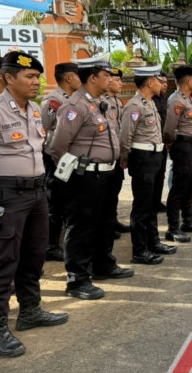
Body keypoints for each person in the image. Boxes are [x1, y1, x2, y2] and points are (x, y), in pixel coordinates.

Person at [0, 50, 68, 357]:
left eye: (38, 76)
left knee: (33, 256)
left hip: (36, 194)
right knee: (2, 261)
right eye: (29, 76)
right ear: (8, 78)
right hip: (5, 196)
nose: (36, 82)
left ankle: (30, 311)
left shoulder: (35, 109)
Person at [48, 55, 135, 300]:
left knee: (105, 222)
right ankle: (77, 279)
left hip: (107, 174)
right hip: (85, 177)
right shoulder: (75, 106)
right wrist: (75, 173)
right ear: (93, 78)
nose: (111, 78)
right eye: (106, 75)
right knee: (82, 227)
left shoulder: (101, 103)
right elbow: (57, 147)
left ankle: (103, 264)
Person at [119, 64, 174, 264]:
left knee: (152, 204)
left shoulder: (150, 103)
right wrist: (125, 157)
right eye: (159, 80)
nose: (162, 84)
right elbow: (125, 136)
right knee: (142, 207)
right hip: (143, 158)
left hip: (155, 156)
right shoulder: (134, 105)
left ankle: (153, 242)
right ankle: (139, 250)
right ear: (150, 82)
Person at [163, 65, 192, 242]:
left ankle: (188, 220)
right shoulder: (176, 100)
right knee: (179, 187)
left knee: (190, 184)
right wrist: (172, 145)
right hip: (182, 145)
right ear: (188, 80)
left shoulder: (189, 99)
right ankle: (173, 228)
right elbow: (169, 130)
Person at [40, 61, 80, 263]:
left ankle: (61, 241)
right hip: (55, 158)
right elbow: (42, 129)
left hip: (69, 157)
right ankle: (50, 245)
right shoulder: (54, 100)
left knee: (67, 201)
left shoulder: (74, 99)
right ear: (68, 78)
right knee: (55, 203)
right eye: (78, 75)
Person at [102, 67, 131, 238]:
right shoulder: (102, 101)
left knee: (115, 190)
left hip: (117, 151)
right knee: (106, 193)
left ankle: (112, 221)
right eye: (117, 79)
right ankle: (106, 225)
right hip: (106, 153)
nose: (121, 83)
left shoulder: (118, 101)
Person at [151, 71, 169, 213]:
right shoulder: (150, 99)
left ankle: (156, 202)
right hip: (152, 143)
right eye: (162, 82)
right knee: (152, 174)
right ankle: (150, 202)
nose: (165, 85)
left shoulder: (164, 99)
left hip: (163, 142)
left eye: (166, 82)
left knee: (161, 173)